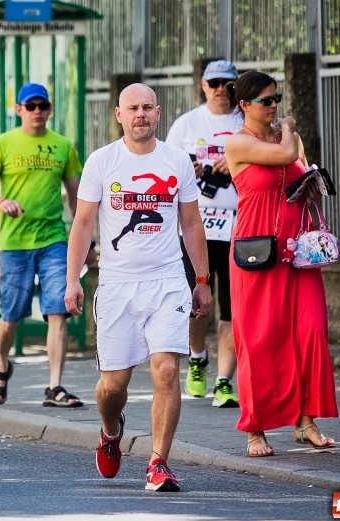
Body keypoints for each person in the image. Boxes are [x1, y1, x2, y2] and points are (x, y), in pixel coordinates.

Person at [65, 83, 211, 492]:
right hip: (116, 285)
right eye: (133, 108)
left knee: (166, 370)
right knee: (114, 385)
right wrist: (72, 278)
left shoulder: (177, 160)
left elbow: (191, 223)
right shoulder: (102, 161)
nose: (140, 114)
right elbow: (83, 224)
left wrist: (201, 280)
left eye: (147, 107)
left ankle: (158, 462)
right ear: (119, 115)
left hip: (167, 282)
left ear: (158, 113)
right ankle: (111, 430)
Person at [224, 71, 338, 458]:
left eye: (278, 99)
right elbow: (288, 156)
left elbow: (299, 173)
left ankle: (305, 421)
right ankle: (255, 428)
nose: (275, 107)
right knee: (259, 339)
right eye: (267, 101)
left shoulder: (290, 138)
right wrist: (288, 127)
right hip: (256, 252)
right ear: (244, 105)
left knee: (311, 331)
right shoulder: (238, 142)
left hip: (297, 252)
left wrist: (311, 189)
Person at [0, 82, 93, 408]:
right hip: (15, 243)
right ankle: (1, 364)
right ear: (19, 110)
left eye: (42, 105)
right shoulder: (3, 144)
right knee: (11, 315)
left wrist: (87, 241)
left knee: (58, 310)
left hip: (53, 239)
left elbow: (77, 197)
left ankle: (55, 386)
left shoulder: (63, 146)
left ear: (49, 109)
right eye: (31, 106)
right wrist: (1, 202)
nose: (37, 111)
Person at [165, 59, 243, 407]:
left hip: (241, 225)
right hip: (196, 226)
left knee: (232, 309)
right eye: (214, 84)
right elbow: (165, 170)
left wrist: (239, 163)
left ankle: (225, 381)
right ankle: (197, 358)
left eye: (228, 84)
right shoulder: (186, 124)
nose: (221, 90)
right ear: (203, 84)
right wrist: (188, 167)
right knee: (197, 303)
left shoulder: (247, 121)